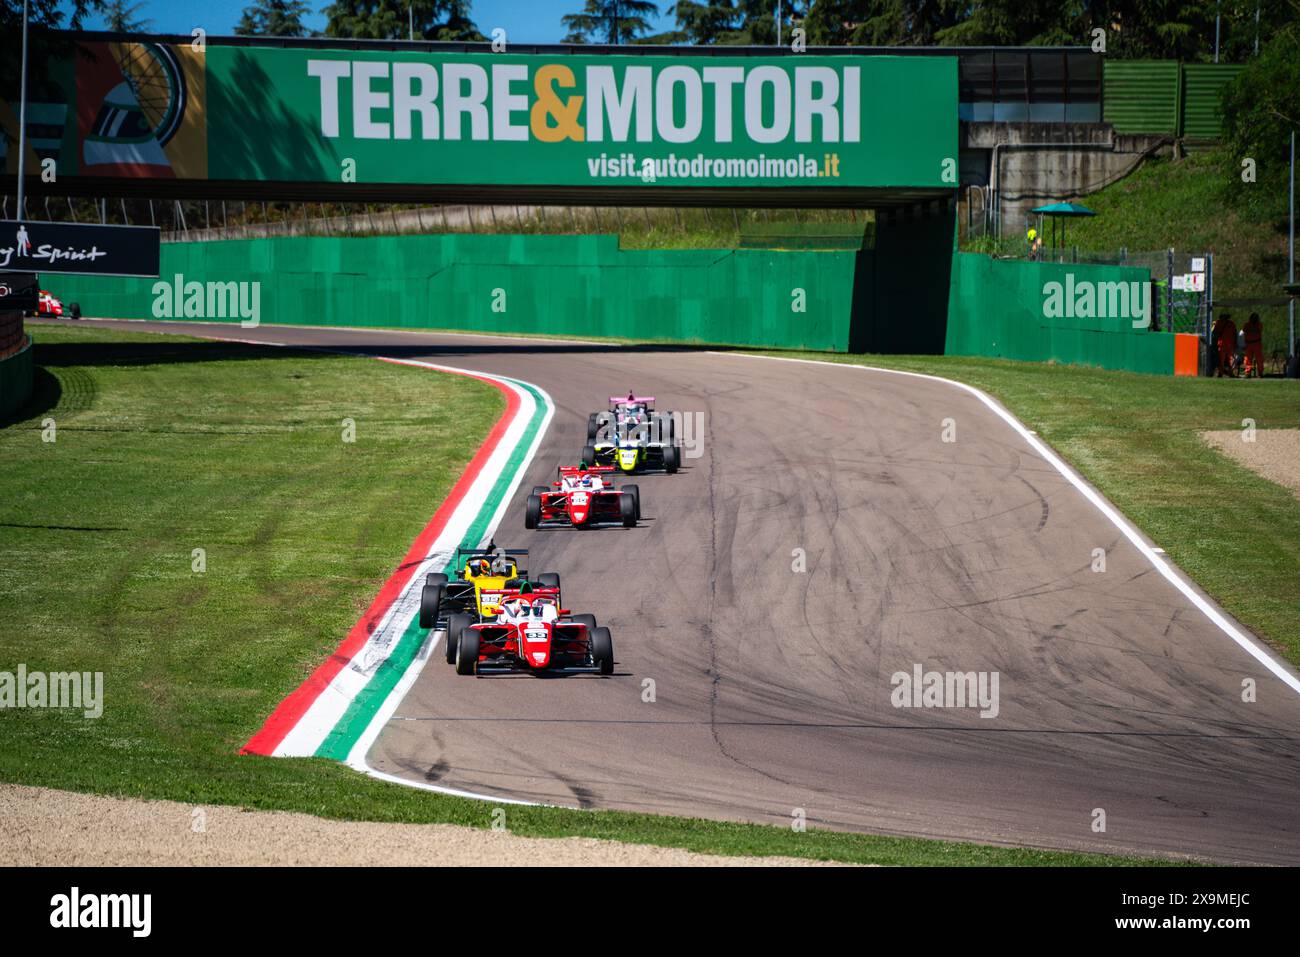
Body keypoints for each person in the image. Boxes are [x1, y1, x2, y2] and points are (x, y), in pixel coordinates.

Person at [1211, 311, 1237, 377]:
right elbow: (1235, 333)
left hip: (1222, 344)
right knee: (1230, 359)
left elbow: (1214, 332)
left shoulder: (1218, 322)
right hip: (1230, 344)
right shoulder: (1232, 323)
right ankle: (1230, 373)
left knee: (1221, 360)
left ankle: (1221, 373)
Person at [1242, 312, 1264, 378]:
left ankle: (1260, 373)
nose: (1254, 319)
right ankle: (1248, 373)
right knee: (1248, 359)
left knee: (1259, 359)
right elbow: (1244, 330)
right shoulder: (1247, 325)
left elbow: (1260, 329)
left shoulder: (1259, 324)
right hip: (1249, 344)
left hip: (1256, 343)